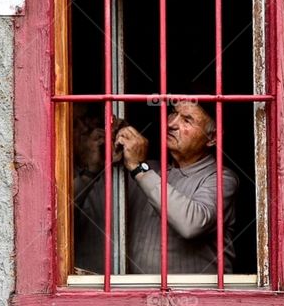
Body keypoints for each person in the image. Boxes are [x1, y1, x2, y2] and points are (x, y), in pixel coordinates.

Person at [72, 101, 237, 275]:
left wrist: (139, 169)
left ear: (213, 138)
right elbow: (65, 216)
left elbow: (191, 224)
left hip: (196, 298)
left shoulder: (221, 178)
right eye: (173, 113)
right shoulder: (146, 170)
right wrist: (93, 170)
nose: (171, 123)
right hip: (136, 297)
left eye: (187, 120)